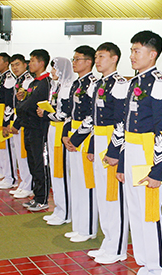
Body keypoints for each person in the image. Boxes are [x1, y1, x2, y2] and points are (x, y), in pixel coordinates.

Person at [114, 30, 162, 274]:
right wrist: (120, 163)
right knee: (135, 209)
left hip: (148, 153)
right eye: (131, 50)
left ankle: (158, 265)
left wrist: (158, 169)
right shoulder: (134, 82)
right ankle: (143, 259)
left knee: (150, 211)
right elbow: (124, 123)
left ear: (153, 54)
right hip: (131, 152)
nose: (131, 56)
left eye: (136, 51)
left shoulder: (159, 82)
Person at [86, 42, 130, 264]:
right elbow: (95, 120)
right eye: (96, 57)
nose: (97, 61)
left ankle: (118, 247)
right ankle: (108, 241)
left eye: (102, 56)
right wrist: (93, 146)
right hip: (100, 138)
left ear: (114, 58)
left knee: (114, 198)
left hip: (113, 141)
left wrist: (114, 150)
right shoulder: (99, 83)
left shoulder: (119, 84)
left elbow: (121, 121)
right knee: (103, 196)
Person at [61, 45, 99, 242]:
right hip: (73, 135)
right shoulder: (77, 83)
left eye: (78, 59)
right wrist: (66, 134)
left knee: (86, 183)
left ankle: (88, 229)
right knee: (76, 181)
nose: (74, 63)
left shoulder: (93, 83)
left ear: (88, 61)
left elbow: (92, 115)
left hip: (85, 137)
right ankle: (79, 225)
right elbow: (69, 112)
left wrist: (76, 138)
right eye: (73, 59)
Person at [12, 49, 52, 211]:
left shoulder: (44, 83)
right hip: (29, 127)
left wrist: (21, 106)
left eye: (33, 61)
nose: (30, 64)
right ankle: (37, 196)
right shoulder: (34, 82)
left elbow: (29, 104)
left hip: (38, 128)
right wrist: (22, 103)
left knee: (39, 163)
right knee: (32, 162)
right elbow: (26, 103)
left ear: (41, 63)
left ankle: (42, 198)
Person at [37, 57, 75, 225]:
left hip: (61, 130)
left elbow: (65, 114)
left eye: (55, 69)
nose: (52, 72)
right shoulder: (57, 86)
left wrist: (46, 114)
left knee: (62, 172)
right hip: (52, 129)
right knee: (55, 171)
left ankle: (66, 212)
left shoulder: (68, 88)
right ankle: (59, 208)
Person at [8, 54, 35, 199]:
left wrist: (17, 124)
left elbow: (25, 105)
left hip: (24, 122)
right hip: (17, 119)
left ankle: (28, 185)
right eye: (12, 65)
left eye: (17, 64)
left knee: (24, 155)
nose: (15, 68)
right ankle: (23, 183)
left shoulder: (28, 81)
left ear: (25, 65)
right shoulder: (20, 80)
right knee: (19, 154)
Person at [0, 52, 18, 190]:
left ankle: (12, 177)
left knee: (7, 146)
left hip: (5, 113)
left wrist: (6, 120)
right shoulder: (0, 77)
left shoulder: (9, 77)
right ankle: (6, 174)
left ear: (6, 63)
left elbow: (9, 100)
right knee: (2, 145)